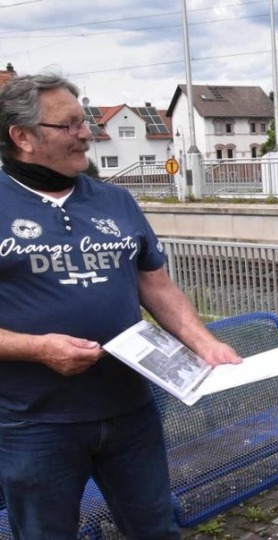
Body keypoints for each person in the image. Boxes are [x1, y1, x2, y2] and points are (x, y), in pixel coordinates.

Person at [0, 73, 241, 539]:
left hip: (130, 411)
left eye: (84, 120)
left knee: (155, 530)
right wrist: (37, 348)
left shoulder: (115, 200)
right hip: (36, 423)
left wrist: (206, 345)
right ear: (23, 137)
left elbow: (156, 285)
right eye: (68, 125)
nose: (85, 133)